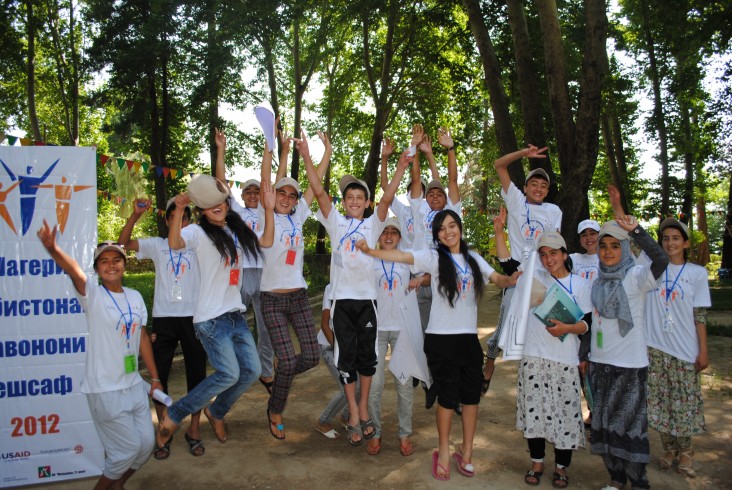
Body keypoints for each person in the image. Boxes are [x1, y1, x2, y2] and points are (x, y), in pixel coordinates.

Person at [356, 209, 518, 480]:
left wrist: (510, 279)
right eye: (442, 229)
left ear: (460, 228)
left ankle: (466, 452)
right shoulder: (433, 257)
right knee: (447, 398)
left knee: (470, 399)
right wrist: (370, 252)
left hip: (468, 340)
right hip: (440, 340)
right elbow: (402, 256)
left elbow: (498, 278)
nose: (448, 232)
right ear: (437, 235)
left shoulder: (474, 258)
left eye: (452, 226)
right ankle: (443, 451)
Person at [301, 132, 411, 446]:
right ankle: (353, 409)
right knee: (344, 358)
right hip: (341, 303)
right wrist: (313, 154)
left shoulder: (372, 224)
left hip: (367, 302)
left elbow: (388, 197)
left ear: (365, 203)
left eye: (359, 198)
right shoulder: (334, 222)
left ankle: (362, 408)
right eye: (349, 198)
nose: (353, 202)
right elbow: (319, 190)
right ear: (344, 202)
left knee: (367, 359)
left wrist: (400, 165)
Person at [37, 222, 160, 490]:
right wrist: (54, 249)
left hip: (133, 384)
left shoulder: (135, 297)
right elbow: (74, 272)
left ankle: (118, 484)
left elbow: (140, 336)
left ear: (124, 265)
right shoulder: (93, 295)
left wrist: (155, 377)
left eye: (117, 260)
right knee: (126, 451)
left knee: (146, 445)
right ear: (97, 268)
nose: (111, 265)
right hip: (105, 389)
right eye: (104, 261)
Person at [156, 174, 274, 448]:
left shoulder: (237, 228)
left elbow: (266, 242)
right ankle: (175, 414)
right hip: (210, 319)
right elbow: (174, 244)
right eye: (209, 205)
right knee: (229, 373)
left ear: (226, 202)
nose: (217, 206)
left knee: (252, 371)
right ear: (201, 210)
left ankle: (217, 411)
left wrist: (268, 209)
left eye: (220, 201)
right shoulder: (197, 233)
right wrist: (180, 210)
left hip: (235, 315)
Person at [254, 129, 331, 440]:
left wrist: (324, 153)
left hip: (298, 296)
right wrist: (272, 150)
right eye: (281, 193)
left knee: (310, 357)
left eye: (291, 195)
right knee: (287, 358)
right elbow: (267, 180)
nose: (286, 198)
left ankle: (281, 372)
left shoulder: (298, 216)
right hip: (271, 298)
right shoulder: (264, 213)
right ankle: (276, 409)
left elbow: (316, 183)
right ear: (273, 195)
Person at [118, 198, 207, 459]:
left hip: (194, 317)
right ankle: (164, 428)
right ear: (167, 220)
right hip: (164, 319)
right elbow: (123, 243)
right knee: (159, 376)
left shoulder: (197, 245)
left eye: (186, 218)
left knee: (197, 376)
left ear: (190, 222)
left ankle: (194, 429)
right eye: (175, 217)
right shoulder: (156, 245)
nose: (181, 222)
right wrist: (135, 216)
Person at [589, 216, 668, 490]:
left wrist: (636, 230)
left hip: (630, 367)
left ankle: (638, 482)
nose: (608, 251)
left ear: (625, 249)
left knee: (630, 428)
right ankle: (616, 479)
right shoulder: (596, 282)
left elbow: (661, 260)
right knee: (605, 427)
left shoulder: (636, 277)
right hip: (600, 365)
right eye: (603, 246)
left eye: (615, 246)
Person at [214, 127, 291, 394]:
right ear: (242, 195)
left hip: (267, 275)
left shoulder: (264, 209)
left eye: (256, 191)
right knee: (234, 320)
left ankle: (266, 371)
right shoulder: (234, 212)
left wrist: (278, 149)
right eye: (248, 192)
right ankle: (233, 367)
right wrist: (221, 150)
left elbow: (272, 177)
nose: (252, 195)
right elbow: (221, 182)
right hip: (241, 273)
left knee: (267, 326)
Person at [483, 145, 562, 392]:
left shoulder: (553, 211)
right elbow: (499, 164)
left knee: (539, 329)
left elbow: (555, 243)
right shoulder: (516, 201)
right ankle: (489, 362)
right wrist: (523, 154)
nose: (538, 189)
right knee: (506, 325)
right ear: (525, 187)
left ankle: (534, 380)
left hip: (542, 278)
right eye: (534, 184)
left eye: (543, 186)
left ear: (547, 191)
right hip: (516, 274)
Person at [516, 232, 592, 488]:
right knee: (535, 411)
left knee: (565, 414)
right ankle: (537, 462)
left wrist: (567, 329)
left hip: (564, 359)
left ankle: (561, 467)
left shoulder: (581, 285)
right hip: (534, 356)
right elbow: (507, 263)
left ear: (564, 255)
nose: (549, 259)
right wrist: (498, 231)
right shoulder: (534, 280)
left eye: (554, 253)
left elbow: (587, 324)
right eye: (544, 254)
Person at [646, 218, 710, 477]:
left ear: (685, 243)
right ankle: (669, 448)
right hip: (656, 347)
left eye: (675, 238)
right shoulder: (653, 269)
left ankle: (686, 451)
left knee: (683, 402)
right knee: (661, 402)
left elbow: (700, 315)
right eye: (665, 238)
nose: (670, 242)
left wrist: (703, 350)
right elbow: (633, 242)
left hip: (684, 348)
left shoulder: (697, 273)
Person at [366, 217, 422, 457]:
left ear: (400, 237)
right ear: (379, 235)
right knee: (374, 387)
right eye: (385, 231)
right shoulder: (370, 258)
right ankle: (375, 433)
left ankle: (404, 434)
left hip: (401, 331)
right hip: (375, 330)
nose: (389, 236)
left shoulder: (407, 259)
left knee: (404, 386)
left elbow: (430, 272)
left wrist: (419, 279)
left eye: (394, 232)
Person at [315, 283, 361, 439]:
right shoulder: (332, 287)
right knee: (347, 387)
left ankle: (347, 416)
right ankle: (323, 421)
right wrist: (339, 350)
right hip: (330, 346)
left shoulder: (362, 286)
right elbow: (324, 323)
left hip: (351, 348)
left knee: (361, 385)